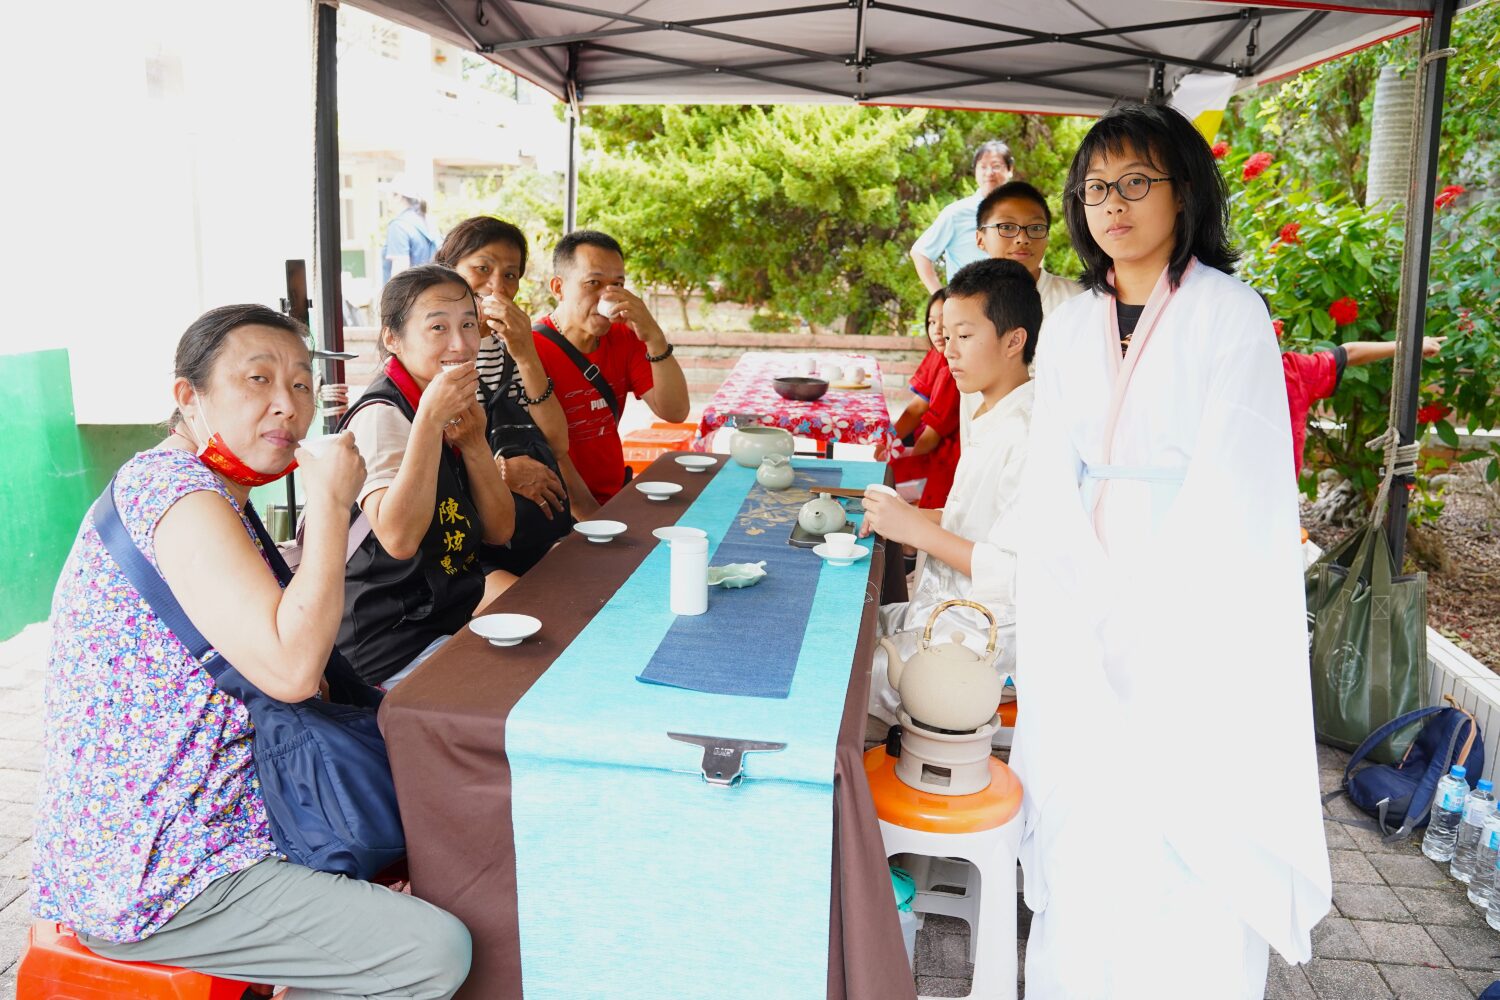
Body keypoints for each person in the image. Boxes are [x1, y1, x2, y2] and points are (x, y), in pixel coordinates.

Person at [34, 304, 471, 999]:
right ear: (189, 397)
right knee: (434, 950)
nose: (284, 406)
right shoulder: (176, 493)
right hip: (158, 866)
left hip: (220, 814)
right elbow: (293, 670)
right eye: (257, 380)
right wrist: (330, 504)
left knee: (441, 832)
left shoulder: (208, 490)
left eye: (300, 385)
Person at [1011, 104, 1330, 998]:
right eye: (1097, 187)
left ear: (1183, 192)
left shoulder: (1232, 314)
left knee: (1182, 830)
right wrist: (1079, 601)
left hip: (1192, 619)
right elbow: (1048, 478)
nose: (1113, 202)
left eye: (1136, 182)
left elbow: (1243, 479)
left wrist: (1145, 613)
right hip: (1080, 603)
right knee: (1087, 828)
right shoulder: (1069, 322)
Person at [862, 258, 1039, 729]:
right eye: (946, 337)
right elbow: (971, 519)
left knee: (839, 672)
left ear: (1013, 340)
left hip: (983, 640)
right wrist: (905, 516)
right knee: (840, 630)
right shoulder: (990, 411)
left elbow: (1018, 572)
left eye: (964, 337)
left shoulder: (1030, 432)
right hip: (941, 610)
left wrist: (915, 531)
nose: (949, 352)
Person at [339, 265, 516, 686]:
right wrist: (427, 422)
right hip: (390, 646)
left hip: (444, 620)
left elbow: (500, 529)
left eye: (469, 324)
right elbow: (398, 539)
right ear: (392, 338)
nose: (460, 344)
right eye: (438, 327)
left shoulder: (454, 403)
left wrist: (474, 443)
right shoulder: (383, 416)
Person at [436, 216, 590, 579]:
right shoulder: (434, 348)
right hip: (463, 540)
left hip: (527, 531)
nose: (497, 286)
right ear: (448, 271)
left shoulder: (516, 343)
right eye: (482, 269)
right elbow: (432, 450)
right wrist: (500, 471)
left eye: (510, 274)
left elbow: (557, 441)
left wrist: (524, 351)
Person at [532, 230, 690, 509]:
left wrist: (654, 336)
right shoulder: (531, 349)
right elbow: (552, 451)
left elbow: (675, 411)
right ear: (558, 288)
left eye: (617, 284)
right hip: (560, 509)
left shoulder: (625, 337)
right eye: (593, 283)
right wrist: (593, 517)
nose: (608, 296)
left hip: (616, 496)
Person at [1282, 335, 1444, 478]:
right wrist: (1410, 346)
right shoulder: (1291, 370)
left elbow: (1347, 353)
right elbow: (1348, 352)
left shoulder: (1291, 369)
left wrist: (1409, 346)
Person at [910, 140, 1014, 294]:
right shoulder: (956, 213)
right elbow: (920, 252)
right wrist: (940, 298)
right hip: (967, 308)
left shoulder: (1021, 213)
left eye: (996, 166)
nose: (989, 172)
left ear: (1010, 169)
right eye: (983, 166)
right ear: (975, 171)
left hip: (1011, 308)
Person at [890, 287, 962, 509]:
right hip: (931, 446)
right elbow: (917, 407)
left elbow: (931, 438)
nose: (937, 330)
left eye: (944, 321)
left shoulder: (955, 368)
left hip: (947, 458)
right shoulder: (936, 355)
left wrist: (900, 461)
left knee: (886, 481)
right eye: (931, 322)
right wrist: (889, 441)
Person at [974, 180, 1083, 316]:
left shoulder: (1078, 299)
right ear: (980, 239)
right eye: (1007, 227)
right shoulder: (964, 305)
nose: (1023, 239)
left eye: (1036, 228)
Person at [382, 174, 440, 283]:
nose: (386, 198)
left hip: (407, 296)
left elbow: (399, 274)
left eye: (389, 194)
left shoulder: (399, 226)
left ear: (398, 196)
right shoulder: (427, 222)